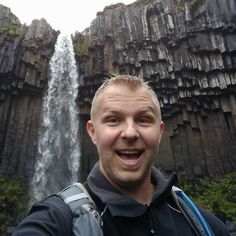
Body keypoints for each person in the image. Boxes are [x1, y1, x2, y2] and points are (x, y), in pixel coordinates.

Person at [13, 75, 230, 236]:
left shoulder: (203, 224)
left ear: (160, 131)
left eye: (143, 119)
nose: (129, 133)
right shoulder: (56, 218)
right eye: (113, 120)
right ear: (92, 132)